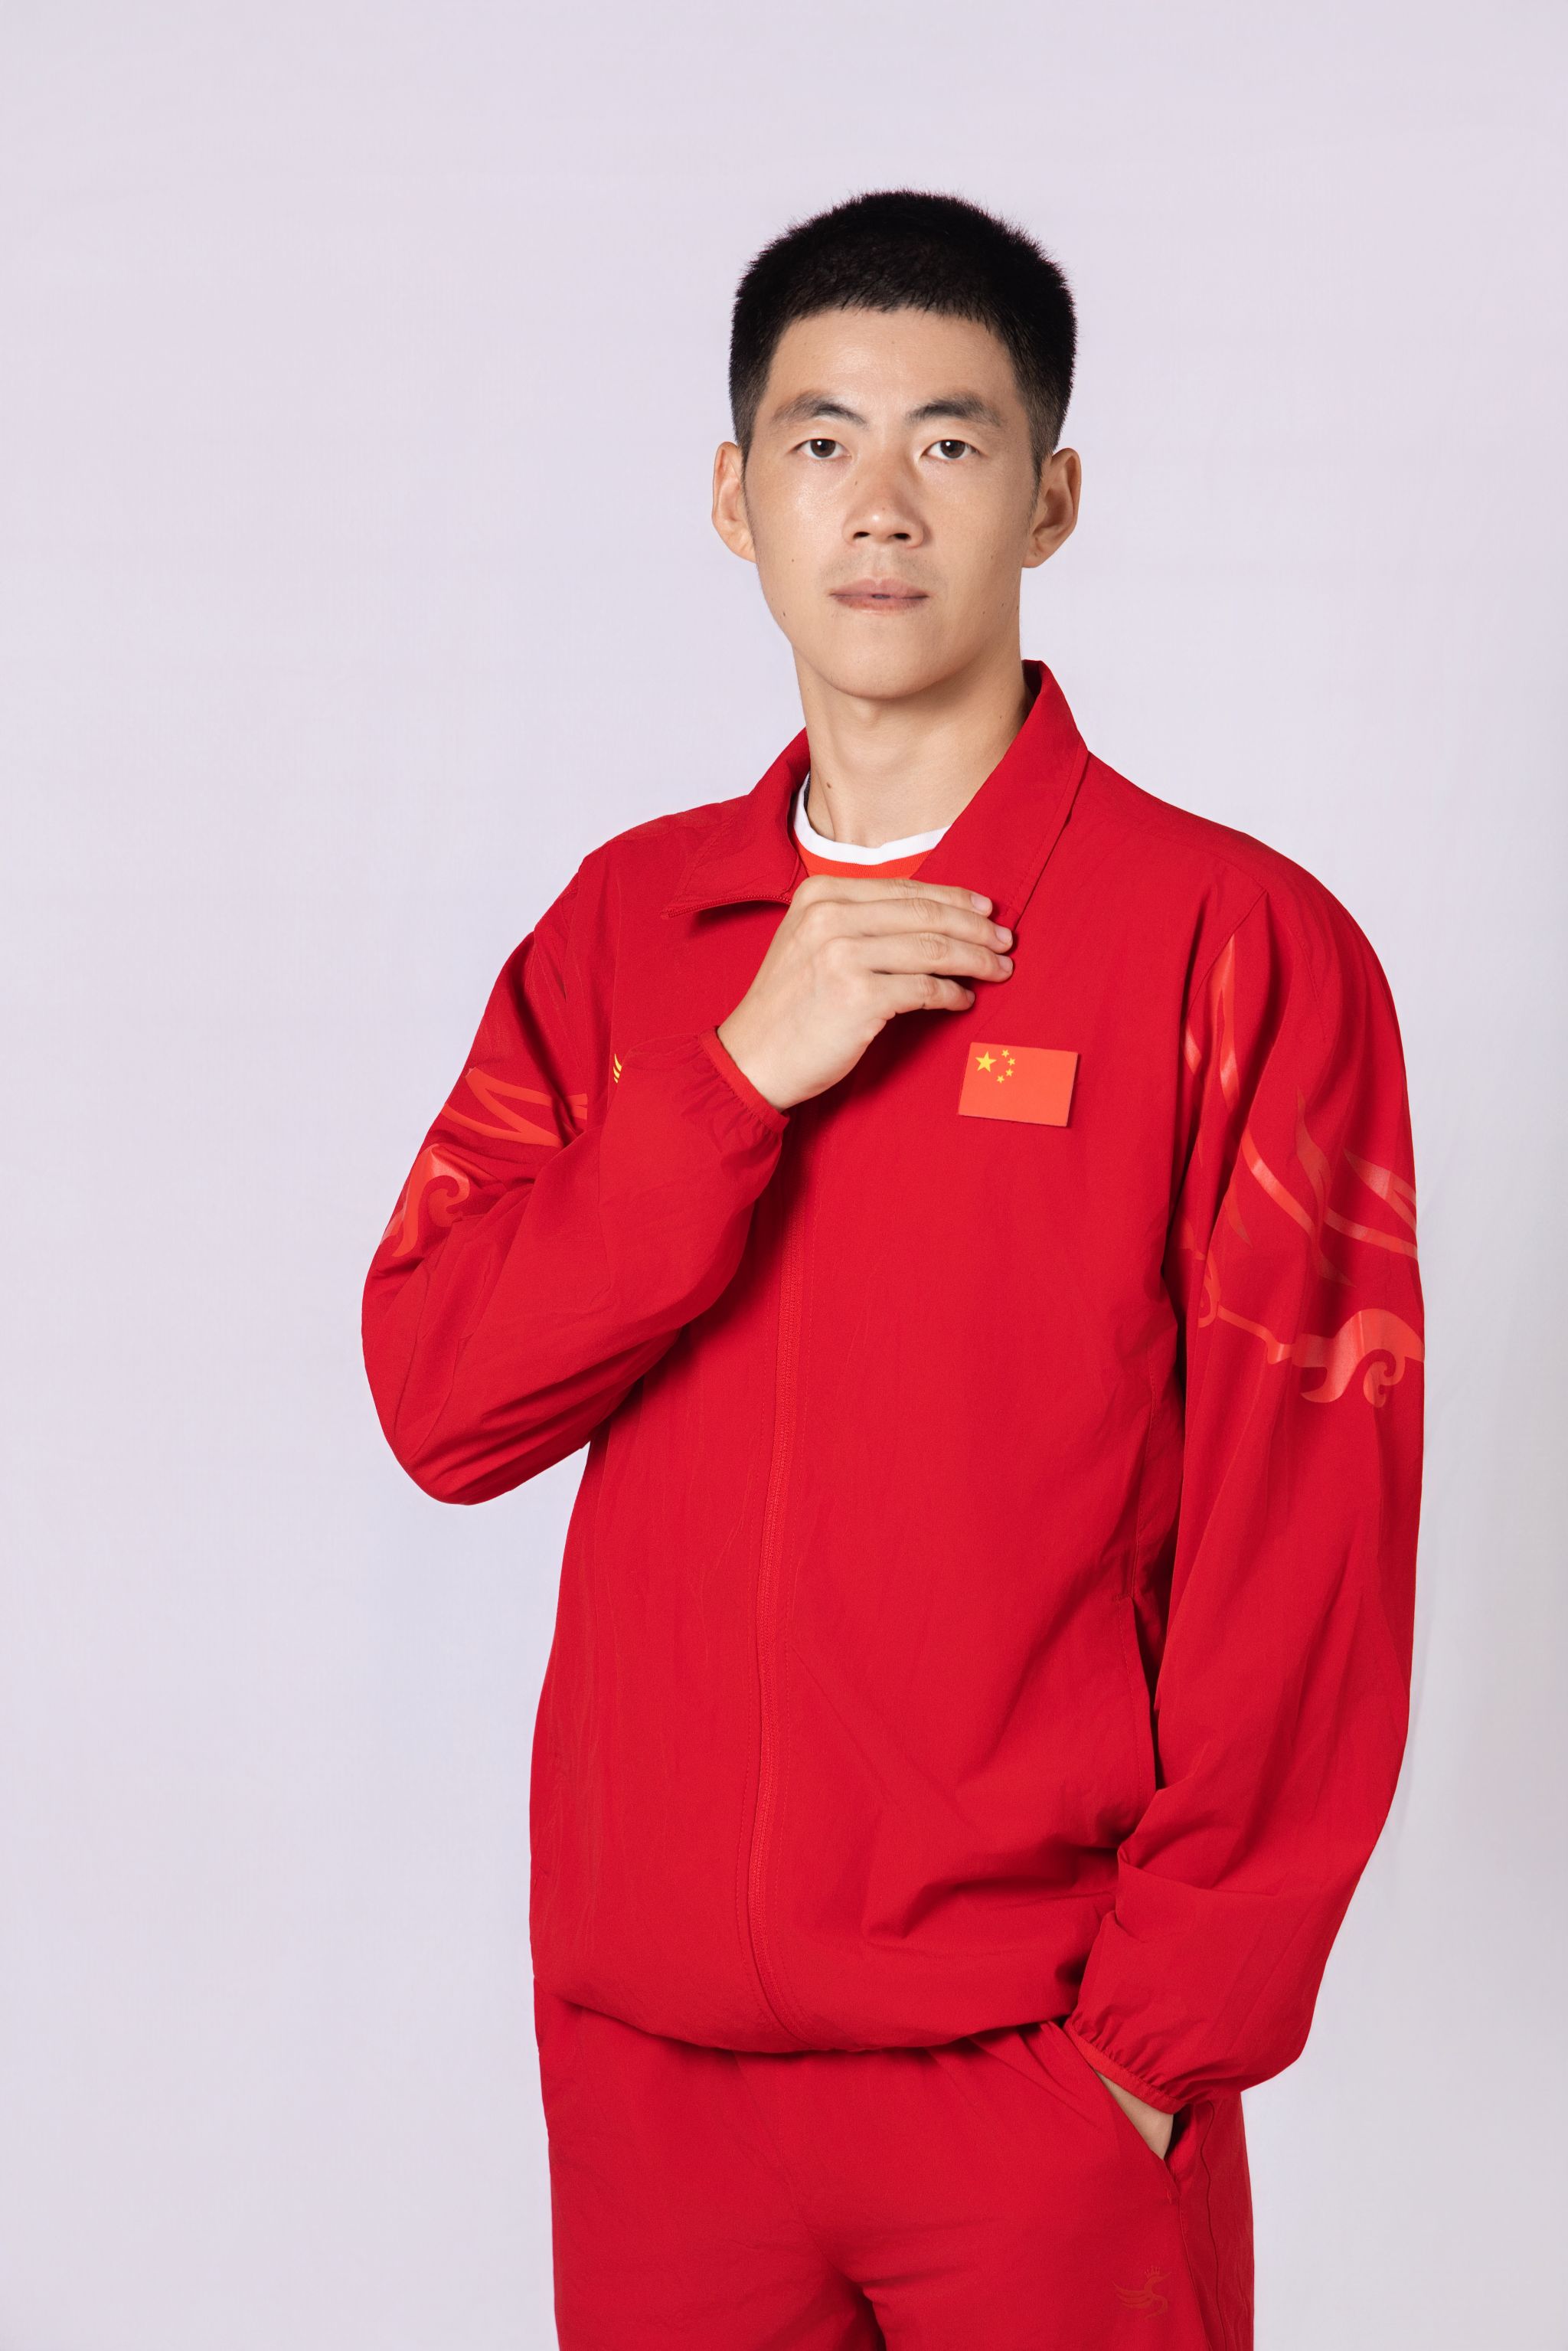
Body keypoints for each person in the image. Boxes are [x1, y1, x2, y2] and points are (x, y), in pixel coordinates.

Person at [362, 190, 1423, 2349]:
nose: (879, 503)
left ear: (1050, 500)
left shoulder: (1236, 946)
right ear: (732, 498)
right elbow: (444, 1403)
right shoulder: (626, 933)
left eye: (950, 442)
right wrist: (733, 1080)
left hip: (1040, 2081)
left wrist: (1151, 2054)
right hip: (657, 2087)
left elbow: (1310, 1540)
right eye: (820, 439)